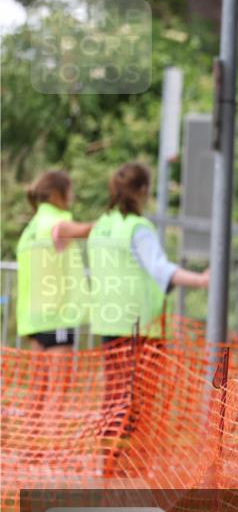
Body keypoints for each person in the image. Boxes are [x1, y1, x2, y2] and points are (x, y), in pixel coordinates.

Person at [87, 163, 209, 466]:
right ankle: (126, 463)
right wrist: (201, 280)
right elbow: (159, 268)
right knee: (136, 399)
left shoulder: (102, 224)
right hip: (139, 325)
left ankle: (110, 461)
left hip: (109, 320)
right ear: (142, 191)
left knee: (115, 396)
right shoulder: (137, 227)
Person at [16, 170, 91, 351]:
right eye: (70, 191)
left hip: (32, 318)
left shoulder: (31, 229)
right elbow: (88, 230)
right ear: (57, 195)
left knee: (40, 379)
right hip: (57, 316)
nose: (72, 197)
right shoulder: (55, 222)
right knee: (58, 380)